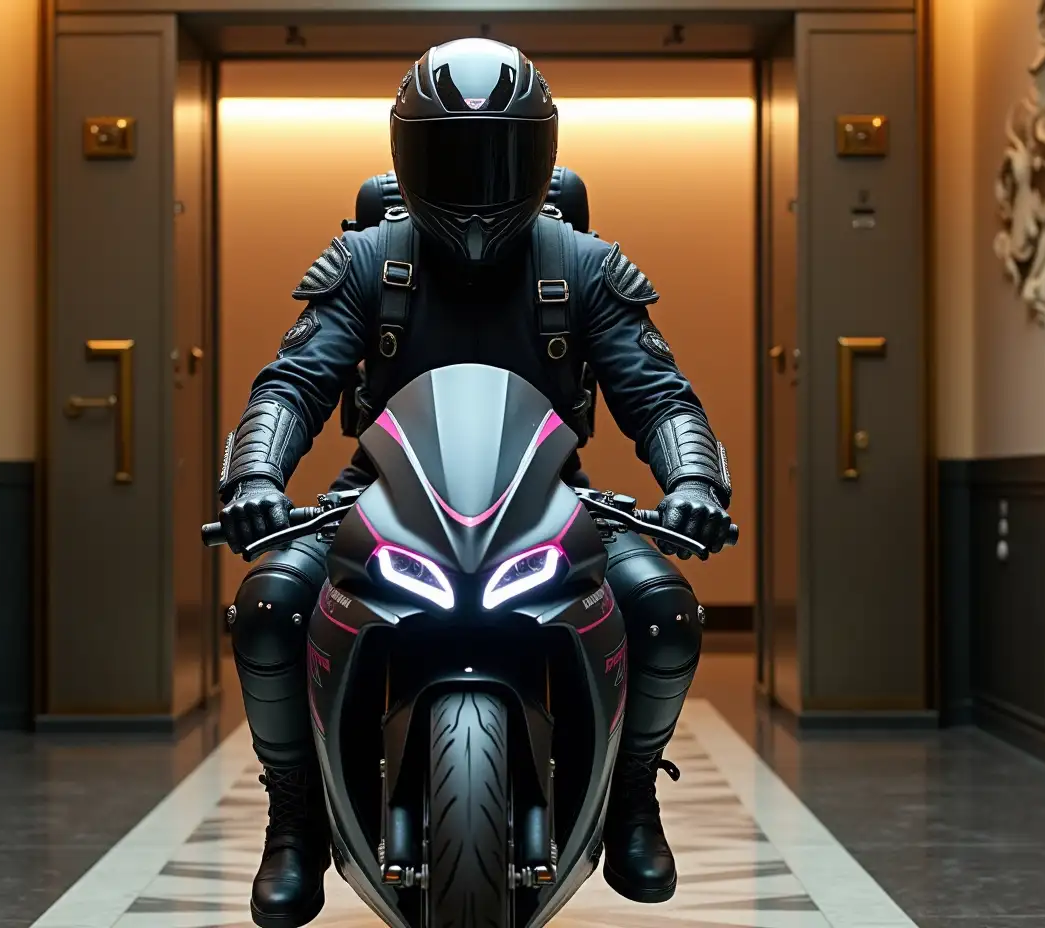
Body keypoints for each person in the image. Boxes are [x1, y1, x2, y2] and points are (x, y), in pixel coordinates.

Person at [216, 37, 735, 928]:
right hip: (373, 498)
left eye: (500, 154)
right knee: (268, 607)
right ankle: (293, 820)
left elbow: (659, 395)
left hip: (553, 501)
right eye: (452, 156)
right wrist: (257, 471)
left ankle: (632, 803)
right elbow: (293, 383)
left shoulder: (585, 266)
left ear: (543, 158)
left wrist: (693, 478)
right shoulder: (364, 263)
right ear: (403, 159)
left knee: (664, 615)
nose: (478, 181)